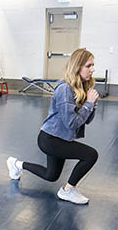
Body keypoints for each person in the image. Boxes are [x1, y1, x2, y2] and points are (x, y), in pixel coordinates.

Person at [7, 48, 99, 204]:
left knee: (51, 175)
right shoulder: (65, 89)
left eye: (93, 65)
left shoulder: (81, 87)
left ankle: (16, 164)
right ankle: (67, 191)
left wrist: (92, 104)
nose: (92, 69)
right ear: (77, 66)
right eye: (88, 65)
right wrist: (89, 104)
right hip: (51, 139)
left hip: (60, 138)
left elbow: (86, 121)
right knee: (91, 155)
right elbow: (72, 123)